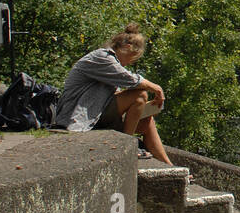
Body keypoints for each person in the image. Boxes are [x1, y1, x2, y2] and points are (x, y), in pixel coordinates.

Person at [54, 23, 174, 165]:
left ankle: (170, 166)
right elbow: (130, 79)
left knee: (147, 121)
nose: (130, 63)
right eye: (132, 58)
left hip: (95, 112)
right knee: (140, 95)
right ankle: (126, 147)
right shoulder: (102, 57)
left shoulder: (110, 62)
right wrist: (157, 89)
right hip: (76, 117)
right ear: (127, 48)